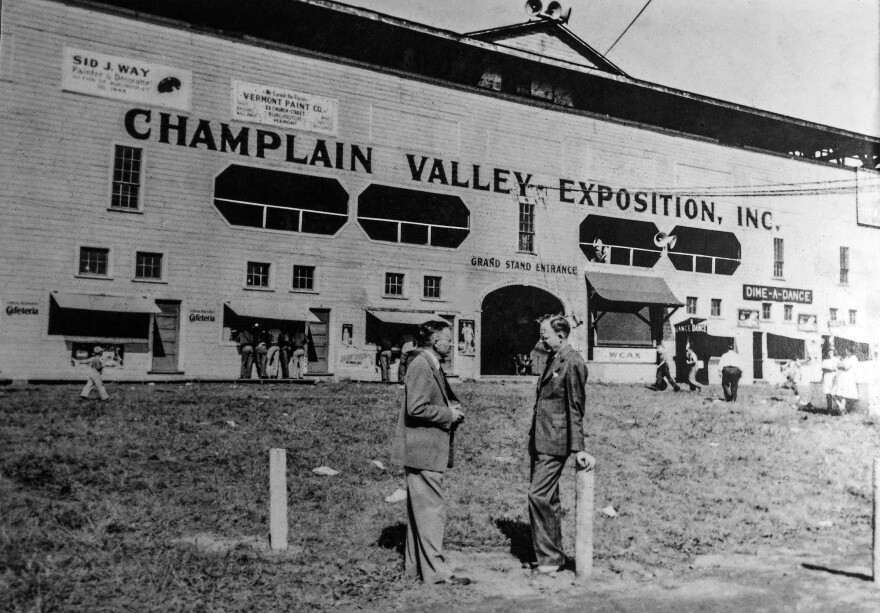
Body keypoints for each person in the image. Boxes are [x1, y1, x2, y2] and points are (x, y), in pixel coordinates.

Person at [393, 320, 471, 585]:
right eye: (448, 338)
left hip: (422, 447)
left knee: (421, 512)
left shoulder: (427, 364)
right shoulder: (422, 365)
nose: (452, 343)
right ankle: (436, 573)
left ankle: (416, 570)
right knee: (431, 511)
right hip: (422, 448)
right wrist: (449, 414)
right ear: (436, 342)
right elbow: (416, 408)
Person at [528, 315, 594, 574]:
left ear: (561, 335)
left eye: (545, 334)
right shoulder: (553, 358)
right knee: (548, 498)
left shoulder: (573, 361)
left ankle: (550, 558)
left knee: (538, 495)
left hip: (556, 440)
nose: (541, 338)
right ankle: (552, 557)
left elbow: (576, 406)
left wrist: (578, 448)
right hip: (542, 438)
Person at [833, 346, 859, 413]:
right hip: (843, 378)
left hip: (849, 379)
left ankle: (842, 409)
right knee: (838, 393)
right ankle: (841, 407)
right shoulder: (847, 358)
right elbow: (839, 365)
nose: (846, 352)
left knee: (844, 394)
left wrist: (840, 365)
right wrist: (841, 363)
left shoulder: (853, 358)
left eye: (847, 351)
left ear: (849, 351)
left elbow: (846, 367)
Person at [820, 347, 838, 412]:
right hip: (827, 376)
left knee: (834, 392)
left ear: (833, 353)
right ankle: (829, 408)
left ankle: (838, 407)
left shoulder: (836, 359)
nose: (829, 354)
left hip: (834, 376)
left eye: (831, 352)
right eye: (828, 352)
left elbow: (838, 368)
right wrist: (828, 369)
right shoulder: (825, 361)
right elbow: (822, 369)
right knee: (828, 392)